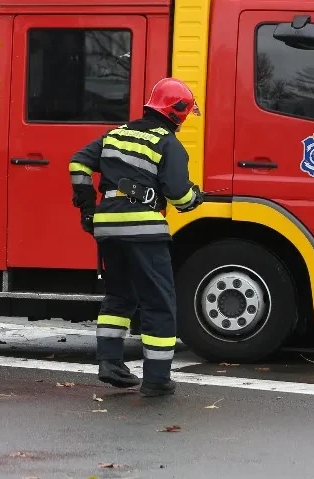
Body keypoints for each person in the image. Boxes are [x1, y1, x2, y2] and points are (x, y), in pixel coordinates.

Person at [69, 77, 204, 397]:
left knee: (120, 296)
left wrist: (87, 207)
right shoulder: (168, 143)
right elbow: (179, 196)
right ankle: (157, 378)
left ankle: (110, 363)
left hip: (107, 227)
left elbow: (78, 162)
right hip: (143, 229)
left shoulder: (116, 134)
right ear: (178, 113)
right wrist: (195, 198)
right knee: (159, 302)